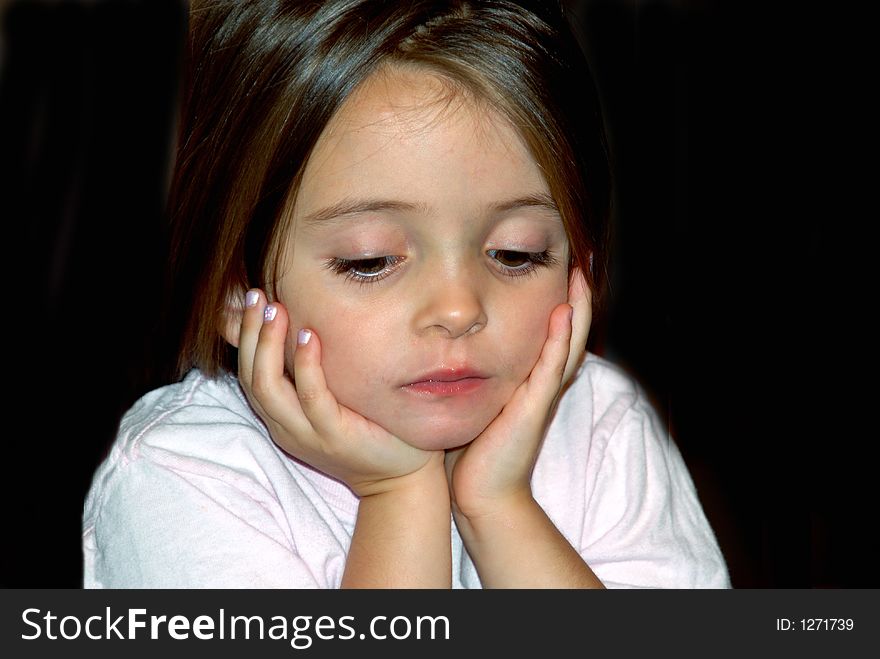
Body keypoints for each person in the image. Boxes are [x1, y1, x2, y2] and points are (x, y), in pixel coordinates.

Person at [82, 0, 729, 588]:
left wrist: (499, 506)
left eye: (517, 253)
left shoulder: (603, 435)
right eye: (370, 261)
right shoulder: (182, 477)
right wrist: (399, 494)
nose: (458, 309)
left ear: (579, 267)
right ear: (232, 284)